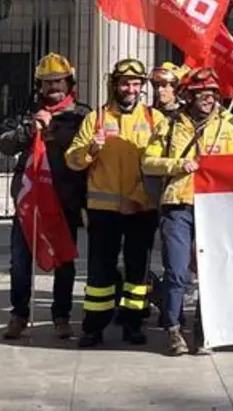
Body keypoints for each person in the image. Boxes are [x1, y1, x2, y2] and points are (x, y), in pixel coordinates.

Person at [142, 67, 233, 356]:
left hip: (213, 208)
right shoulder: (170, 125)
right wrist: (178, 165)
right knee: (176, 271)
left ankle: (204, 330)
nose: (208, 99)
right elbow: (148, 162)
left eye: (212, 94)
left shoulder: (226, 127)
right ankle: (173, 329)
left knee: (210, 272)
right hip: (178, 205)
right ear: (189, 96)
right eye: (202, 94)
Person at [65, 58, 164, 348]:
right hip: (103, 210)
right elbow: (72, 159)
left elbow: (159, 163)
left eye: (136, 84)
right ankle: (94, 327)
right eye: (125, 83)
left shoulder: (154, 119)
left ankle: (133, 324)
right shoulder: (95, 118)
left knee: (137, 270)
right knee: (100, 271)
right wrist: (91, 148)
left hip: (141, 208)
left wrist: (139, 199)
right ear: (115, 85)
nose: (131, 89)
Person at [0, 53, 91, 340]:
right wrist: (30, 129)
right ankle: (19, 314)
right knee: (19, 262)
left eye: (59, 81)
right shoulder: (25, 113)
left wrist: (55, 131)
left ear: (69, 82)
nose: (54, 87)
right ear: (39, 85)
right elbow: (5, 144)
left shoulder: (82, 115)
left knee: (64, 261)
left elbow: (86, 149)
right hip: (29, 202)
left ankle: (61, 316)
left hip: (65, 200)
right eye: (48, 82)